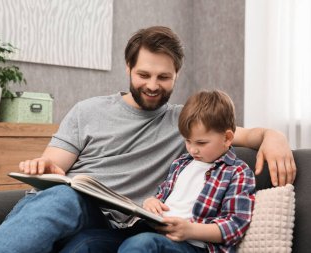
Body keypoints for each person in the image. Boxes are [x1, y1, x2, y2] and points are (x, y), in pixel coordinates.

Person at [0, 26, 295, 253]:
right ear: (129, 68)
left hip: (115, 231)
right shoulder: (88, 111)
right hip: (74, 209)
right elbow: (53, 167)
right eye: (144, 75)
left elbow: (239, 134)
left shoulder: (185, 125)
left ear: (176, 75)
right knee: (65, 198)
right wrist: (44, 166)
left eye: (163, 77)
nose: (153, 85)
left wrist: (274, 135)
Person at [62, 90, 255, 253]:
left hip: (192, 244)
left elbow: (235, 225)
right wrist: (151, 202)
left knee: (142, 244)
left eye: (201, 143)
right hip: (154, 232)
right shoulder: (181, 163)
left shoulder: (237, 172)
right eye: (187, 141)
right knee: (86, 242)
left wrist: (191, 231)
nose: (193, 149)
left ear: (228, 138)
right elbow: (162, 196)